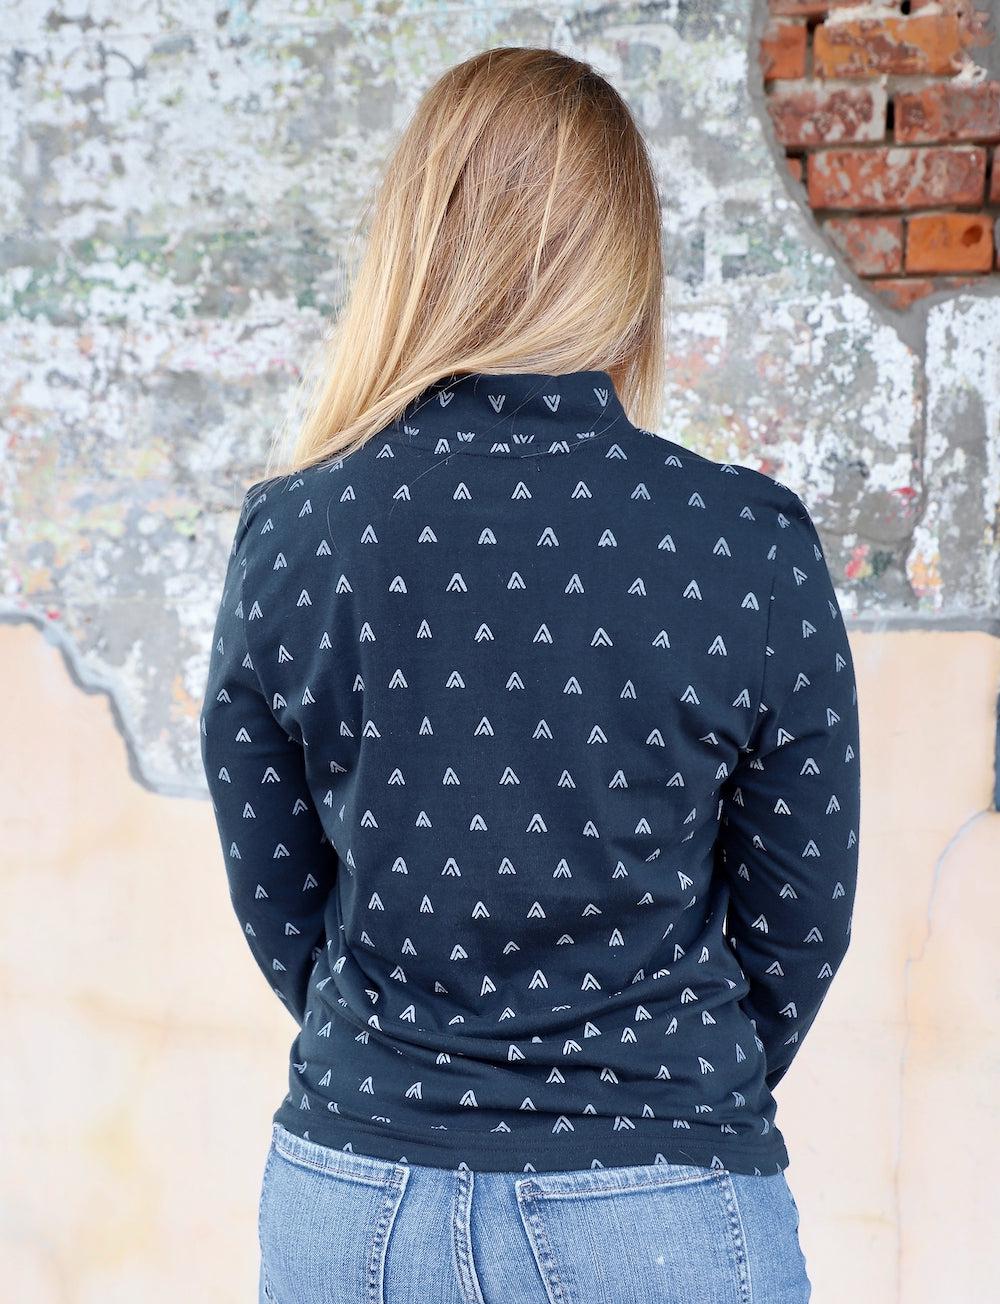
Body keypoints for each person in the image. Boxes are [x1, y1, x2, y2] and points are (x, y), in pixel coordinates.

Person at [200, 45, 860, 1304]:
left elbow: (277, 888)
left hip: (358, 1201)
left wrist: (412, 1050)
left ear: (416, 240)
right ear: (627, 255)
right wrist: (666, 1084)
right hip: (658, 1201)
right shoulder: (744, 541)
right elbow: (800, 921)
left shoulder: (295, 533)